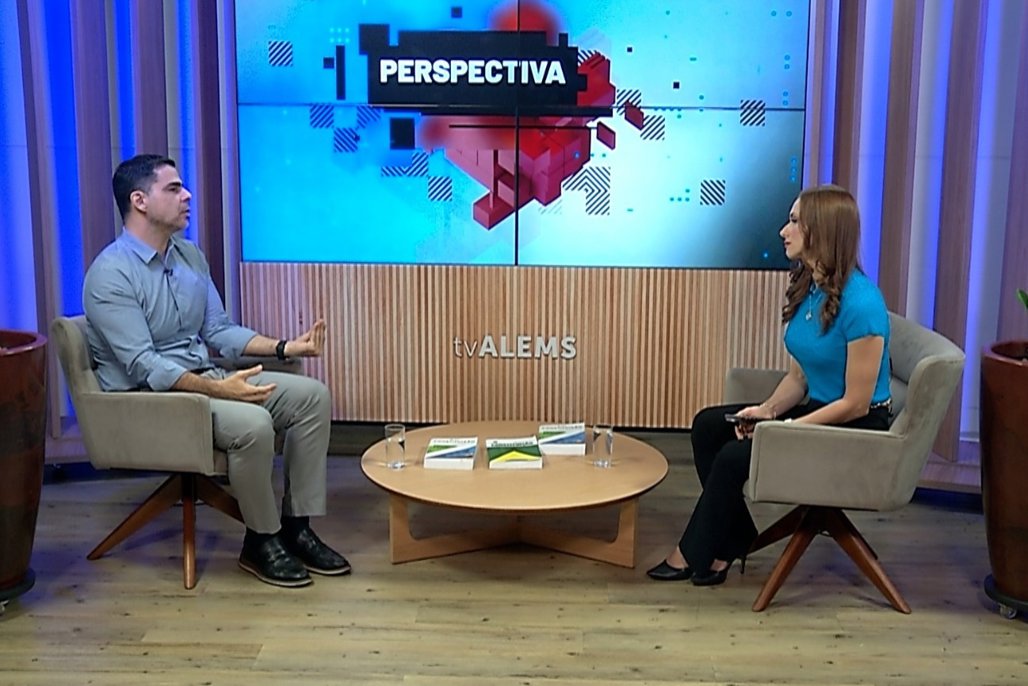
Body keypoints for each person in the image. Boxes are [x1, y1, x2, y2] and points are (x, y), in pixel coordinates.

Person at [83, 154, 349, 588]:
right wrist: (220, 390)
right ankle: (261, 539)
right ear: (139, 201)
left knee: (311, 397)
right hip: (150, 400)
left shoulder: (188, 255)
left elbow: (218, 330)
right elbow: (144, 364)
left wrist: (284, 346)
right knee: (252, 423)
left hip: (202, 379)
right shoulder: (110, 274)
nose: (187, 195)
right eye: (173, 188)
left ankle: (296, 527)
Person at [647, 184, 892, 586]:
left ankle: (693, 552)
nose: (783, 230)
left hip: (856, 430)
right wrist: (767, 412)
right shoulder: (811, 286)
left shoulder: (863, 303)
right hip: (819, 412)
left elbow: (856, 404)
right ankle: (734, 540)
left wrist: (786, 430)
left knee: (733, 457)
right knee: (709, 426)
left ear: (822, 230)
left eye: (795, 221)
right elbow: (799, 377)